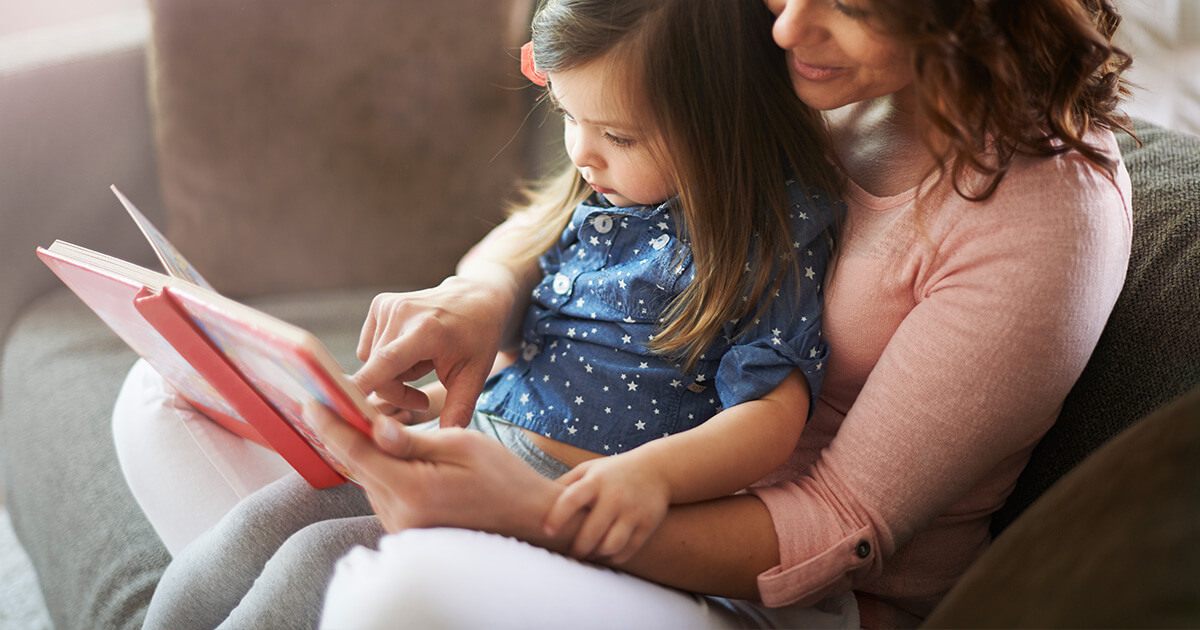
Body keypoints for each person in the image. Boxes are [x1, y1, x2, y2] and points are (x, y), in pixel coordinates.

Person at [308, 0, 1137, 628]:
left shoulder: (1045, 211)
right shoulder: (792, 54)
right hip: (585, 472)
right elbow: (583, 211)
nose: (786, 30)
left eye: (854, 5)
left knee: (381, 584)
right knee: (238, 464)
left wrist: (535, 514)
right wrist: (480, 295)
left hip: (773, 593)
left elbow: (841, 523)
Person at [116, 0, 846, 627]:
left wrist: (651, 479)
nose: (583, 155)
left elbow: (769, 420)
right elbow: (538, 360)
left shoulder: (771, 237)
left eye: (618, 135)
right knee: (257, 527)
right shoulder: (604, 200)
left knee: (317, 562)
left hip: (561, 502)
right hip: (484, 441)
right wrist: (416, 401)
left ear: (728, 123)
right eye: (566, 115)